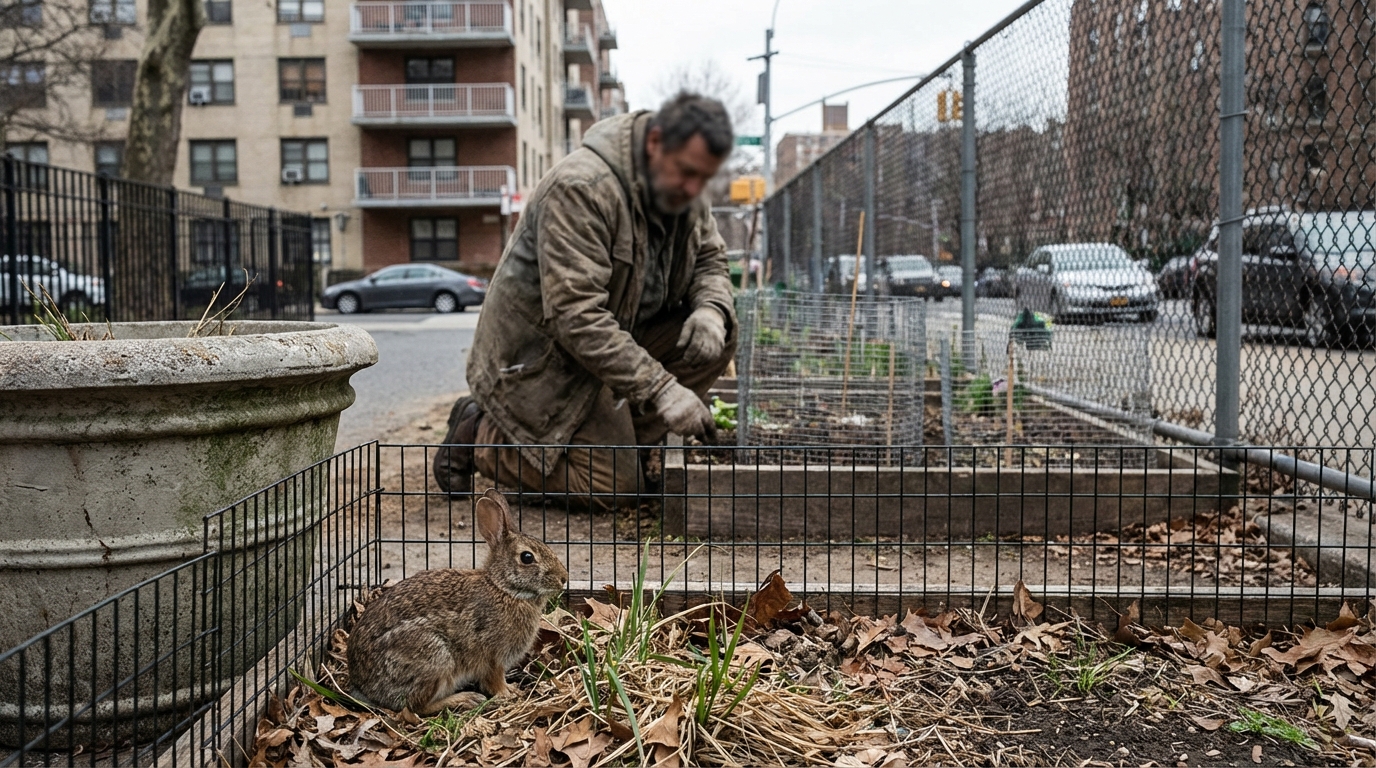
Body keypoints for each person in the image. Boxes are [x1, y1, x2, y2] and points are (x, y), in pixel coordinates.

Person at [433, 91, 737, 509]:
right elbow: (576, 316)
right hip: (545, 362)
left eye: (702, 178)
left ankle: (620, 443)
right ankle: (480, 433)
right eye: (686, 173)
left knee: (720, 334)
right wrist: (662, 388)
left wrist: (711, 310)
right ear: (654, 144)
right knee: (612, 487)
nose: (693, 189)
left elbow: (710, 257)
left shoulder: (684, 186)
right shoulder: (581, 189)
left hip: (611, 346)